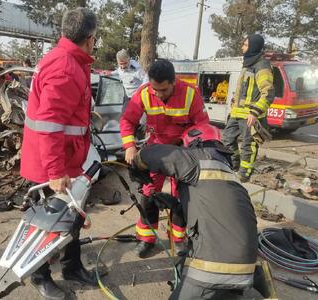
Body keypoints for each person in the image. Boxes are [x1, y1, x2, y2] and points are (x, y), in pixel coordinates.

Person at [20, 8, 98, 300]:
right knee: (48, 222)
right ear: (90, 38)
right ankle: (40, 277)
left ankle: (72, 266)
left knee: (73, 216)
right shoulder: (65, 67)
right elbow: (50, 125)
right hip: (51, 164)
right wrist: (54, 172)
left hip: (66, 159)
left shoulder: (71, 60)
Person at [130, 123, 258, 300]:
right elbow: (201, 213)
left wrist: (136, 167)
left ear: (196, 143)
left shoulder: (198, 159)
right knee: (187, 264)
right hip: (245, 268)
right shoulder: (226, 173)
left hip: (214, 266)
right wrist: (174, 205)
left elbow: (151, 153)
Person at [120, 59, 210, 258]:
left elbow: (202, 126)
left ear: (174, 82)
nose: (158, 94)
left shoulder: (189, 94)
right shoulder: (144, 93)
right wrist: (129, 147)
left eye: (164, 90)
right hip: (156, 151)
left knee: (181, 197)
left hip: (182, 151)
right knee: (149, 194)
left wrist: (191, 149)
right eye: (155, 89)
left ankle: (178, 239)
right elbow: (127, 120)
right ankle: (146, 238)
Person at [222, 34, 274, 182]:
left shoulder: (262, 66)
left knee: (248, 145)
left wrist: (255, 112)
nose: (242, 47)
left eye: (245, 45)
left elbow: (268, 93)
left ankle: (244, 174)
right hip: (237, 112)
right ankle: (234, 164)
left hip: (250, 115)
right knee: (227, 138)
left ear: (253, 47)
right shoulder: (248, 64)